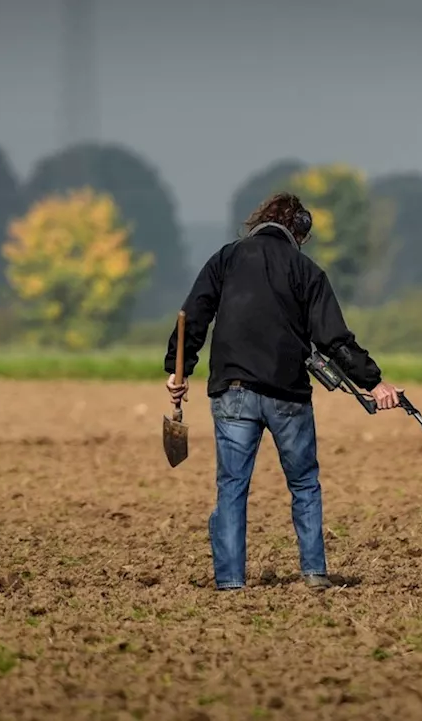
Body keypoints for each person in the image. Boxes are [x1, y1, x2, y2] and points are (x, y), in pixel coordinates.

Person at [163, 191, 402, 591]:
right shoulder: (306, 271)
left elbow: (193, 315)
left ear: (259, 222)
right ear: (300, 232)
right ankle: (313, 573)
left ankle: (230, 582)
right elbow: (334, 340)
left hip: (233, 391)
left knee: (232, 487)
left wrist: (178, 371)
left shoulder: (225, 258)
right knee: (304, 483)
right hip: (288, 396)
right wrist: (374, 382)